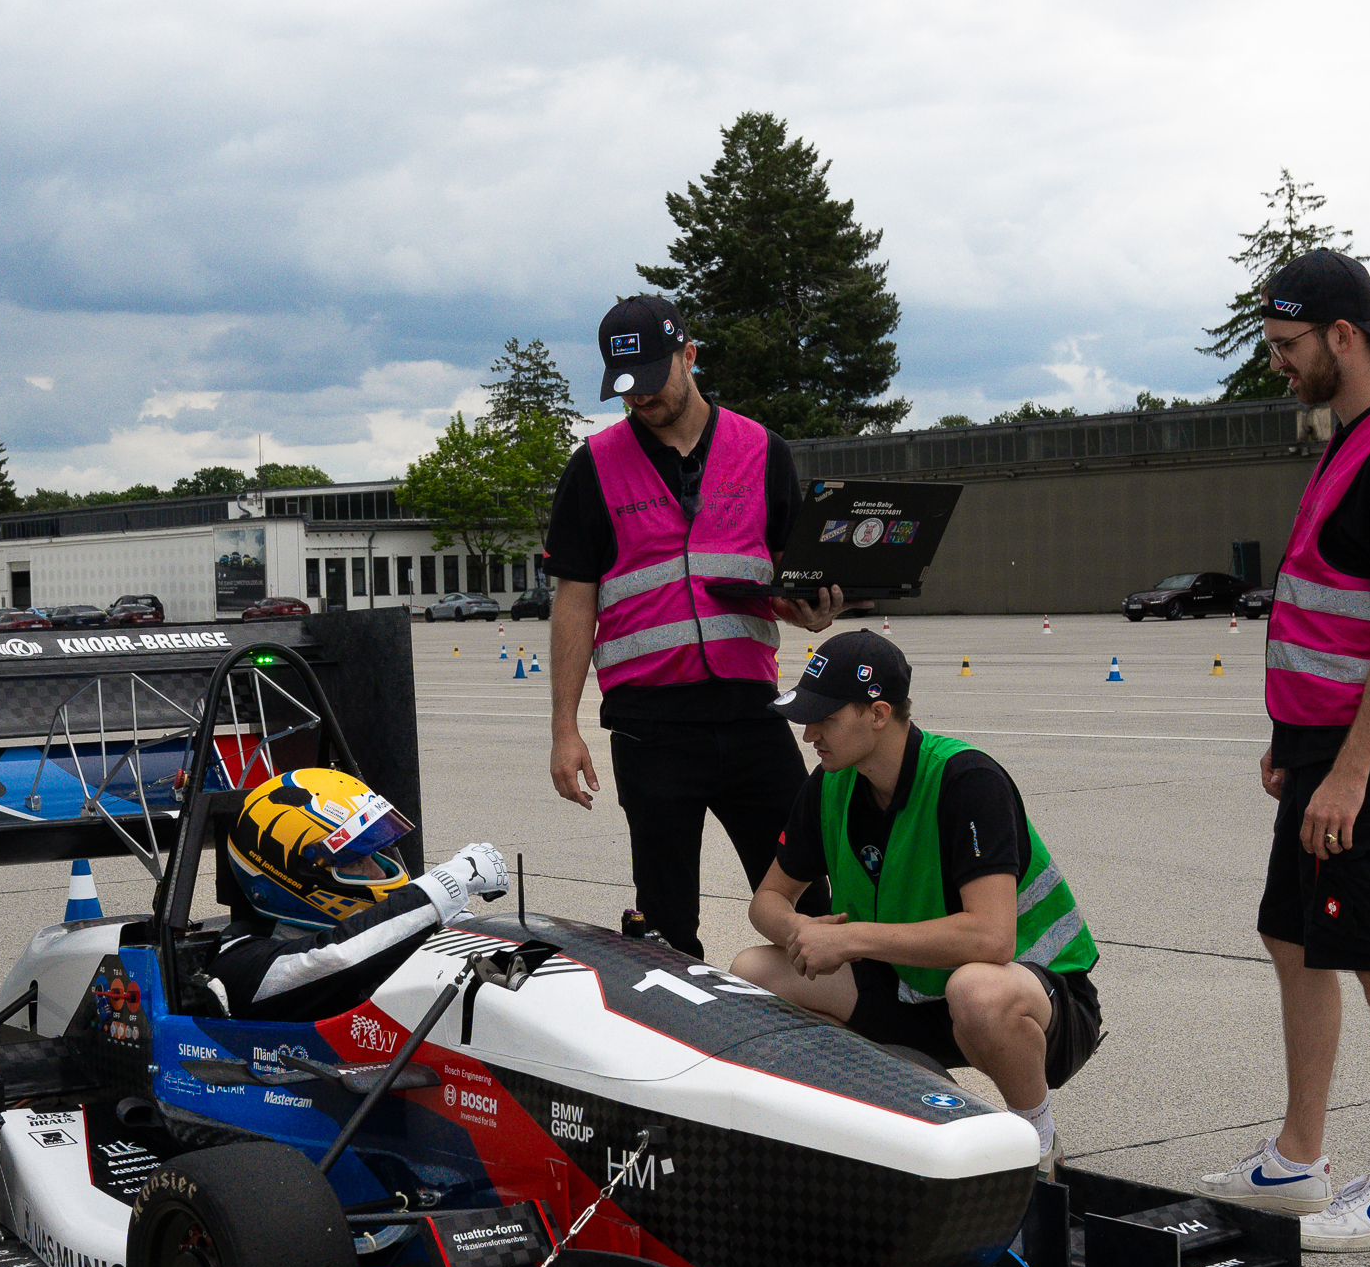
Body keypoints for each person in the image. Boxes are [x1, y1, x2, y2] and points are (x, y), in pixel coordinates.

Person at [1203, 250, 1370, 1250]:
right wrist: (1293, 743)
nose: (1279, 365)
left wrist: (1352, 771)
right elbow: (1327, 607)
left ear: (1343, 339)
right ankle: (1301, 1154)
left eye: (1286, 347)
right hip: (1323, 743)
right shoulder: (1351, 440)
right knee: (1293, 932)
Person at [731, 632, 1102, 1167]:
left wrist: (850, 937)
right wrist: (800, 933)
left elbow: (991, 938)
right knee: (753, 971)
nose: (809, 733)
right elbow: (767, 899)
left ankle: (1036, 1142)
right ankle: (912, 1092)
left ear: (878, 714)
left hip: (1035, 997)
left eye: (825, 718)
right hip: (908, 986)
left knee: (977, 990)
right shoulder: (830, 784)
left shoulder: (967, 780)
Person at [546, 293, 842, 960]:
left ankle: (836, 1045)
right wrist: (565, 728)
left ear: (690, 355)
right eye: (626, 390)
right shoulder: (592, 467)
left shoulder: (764, 451)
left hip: (752, 717)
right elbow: (574, 601)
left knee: (813, 901)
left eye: (653, 382)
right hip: (652, 729)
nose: (641, 401)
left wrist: (812, 612)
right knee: (665, 924)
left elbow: (786, 583)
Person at [205, 765, 508, 1018]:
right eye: (355, 863)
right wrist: (442, 888)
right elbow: (339, 959)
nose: (378, 872)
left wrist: (464, 930)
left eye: (374, 854)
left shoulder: (378, 937)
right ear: (294, 877)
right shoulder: (238, 963)